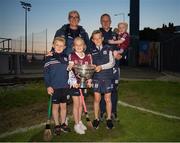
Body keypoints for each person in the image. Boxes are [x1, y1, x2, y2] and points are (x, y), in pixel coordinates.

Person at [44, 37, 71, 135]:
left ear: (64, 47)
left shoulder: (66, 58)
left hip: (65, 87)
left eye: (61, 46)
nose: (59, 47)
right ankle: (57, 125)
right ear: (53, 45)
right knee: (55, 107)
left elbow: (69, 72)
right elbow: (46, 74)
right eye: (57, 45)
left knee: (64, 106)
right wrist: (48, 86)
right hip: (54, 87)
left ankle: (63, 123)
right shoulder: (49, 58)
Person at [99, 13, 121, 121]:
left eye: (107, 20)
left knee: (114, 90)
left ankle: (113, 112)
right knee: (102, 90)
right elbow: (90, 49)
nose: (105, 22)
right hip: (102, 69)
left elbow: (123, 47)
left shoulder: (116, 34)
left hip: (114, 67)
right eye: (103, 20)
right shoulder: (97, 35)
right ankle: (102, 111)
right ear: (101, 22)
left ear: (111, 22)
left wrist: (121, 54)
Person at [90, 30, 115, 129]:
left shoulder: (108, 48)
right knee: (97, 99)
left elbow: (112, 63)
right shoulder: (91, 51)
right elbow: (90, 64)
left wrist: (101, 67)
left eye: (99, 38)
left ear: (102, 38)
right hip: (96, 78)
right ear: (92, 40)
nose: (97, 40)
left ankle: (108, 119)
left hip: (107, 77)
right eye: (95, 39)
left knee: (108, 99)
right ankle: (96, 119)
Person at [68, 37, 92, 134]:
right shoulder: (72, 56)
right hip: (75, 84)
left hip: (84, 83)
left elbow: (89, 71)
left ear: (84, 46)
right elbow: (69, 70)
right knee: (76, 104)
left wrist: (89, 81)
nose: (78, 46)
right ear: (74, 46)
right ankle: (76, 124)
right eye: (76, 45)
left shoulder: (88, 57)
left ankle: (80, 121)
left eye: (80, 44)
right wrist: (73, 82)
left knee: (81, 104)